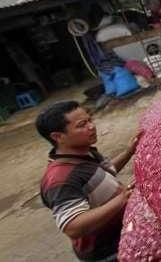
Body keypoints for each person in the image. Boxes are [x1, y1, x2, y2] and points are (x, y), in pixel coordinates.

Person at [36, 101, 139, 262]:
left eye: (90, 120)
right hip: (107, 250)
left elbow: (106, 174)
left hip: (125, 231)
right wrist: (122, 199)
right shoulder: (60, 178)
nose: (91, 127)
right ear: (58, 136)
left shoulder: (86, 152)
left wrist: (128, 152)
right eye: (82, 125)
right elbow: (73, 226)